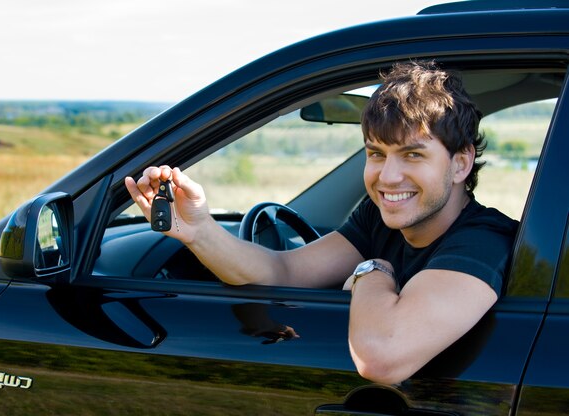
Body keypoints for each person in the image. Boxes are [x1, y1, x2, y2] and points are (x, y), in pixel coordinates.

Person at [125, 61, 518, 385]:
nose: (388, 177)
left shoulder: (483, 242)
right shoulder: (380, 220)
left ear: (461, 163)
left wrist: (371, 270)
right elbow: (283, 270)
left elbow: (382, 358)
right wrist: (199, 231)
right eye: (376, 154)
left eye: (413, 155)